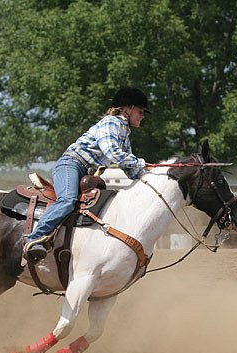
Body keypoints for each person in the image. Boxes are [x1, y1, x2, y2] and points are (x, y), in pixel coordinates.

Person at [23, 86, 151, 262]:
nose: (142, 115)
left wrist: (149, 178)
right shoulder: (111, 123)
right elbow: (112, 152)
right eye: (140, 111)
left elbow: (131, 168)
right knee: (67, 200)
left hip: (83, 171)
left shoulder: (124, 134)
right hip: (71, 164)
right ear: (126, 109)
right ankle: (34, 238)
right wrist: (141, 163)